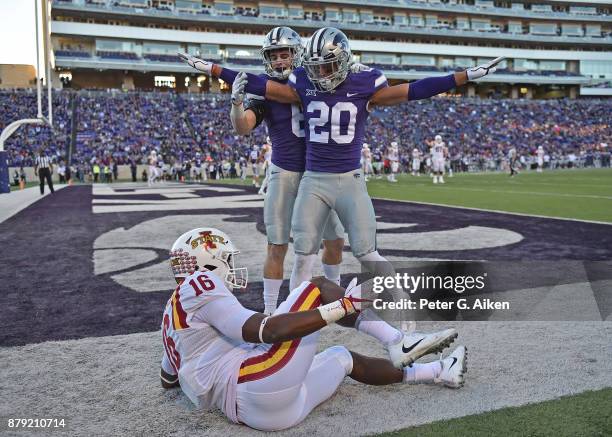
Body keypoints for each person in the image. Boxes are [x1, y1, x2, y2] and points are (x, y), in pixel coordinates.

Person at [180, 28, 503, 327]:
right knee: (298, 252)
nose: (323, 73)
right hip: (306, 177)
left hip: (345, 176)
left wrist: (461, 77)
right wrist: (214, 71)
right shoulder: (299, 82)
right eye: (317, 66)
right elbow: (257, 89)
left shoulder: (357, 82)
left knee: (359, 249)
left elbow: (413, 90)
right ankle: (288, 314)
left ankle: (387, 300)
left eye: (328, 65)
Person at [160, 227, 465, 432]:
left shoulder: (171, 314)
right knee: (317, 287)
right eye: (226, 259)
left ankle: (438, 371)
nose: (231, 265)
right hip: (257, 382)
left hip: (264, 414)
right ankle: (397, 340)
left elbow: (168, 379)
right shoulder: (201, 284)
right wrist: (342, 307)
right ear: (207, 263)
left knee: (342, 357)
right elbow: (266, 331)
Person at [227, 27, 345, 315]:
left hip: (321, 172)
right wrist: (236, 103)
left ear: (298, 54)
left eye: (285, 54)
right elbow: (243, 127)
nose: (279, 61)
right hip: (286, 173)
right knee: (277, 244)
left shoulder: (317, 79)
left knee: (335, 240)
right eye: (274, 56)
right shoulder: (266, 89)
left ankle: (335, 301)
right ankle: (270, 312)